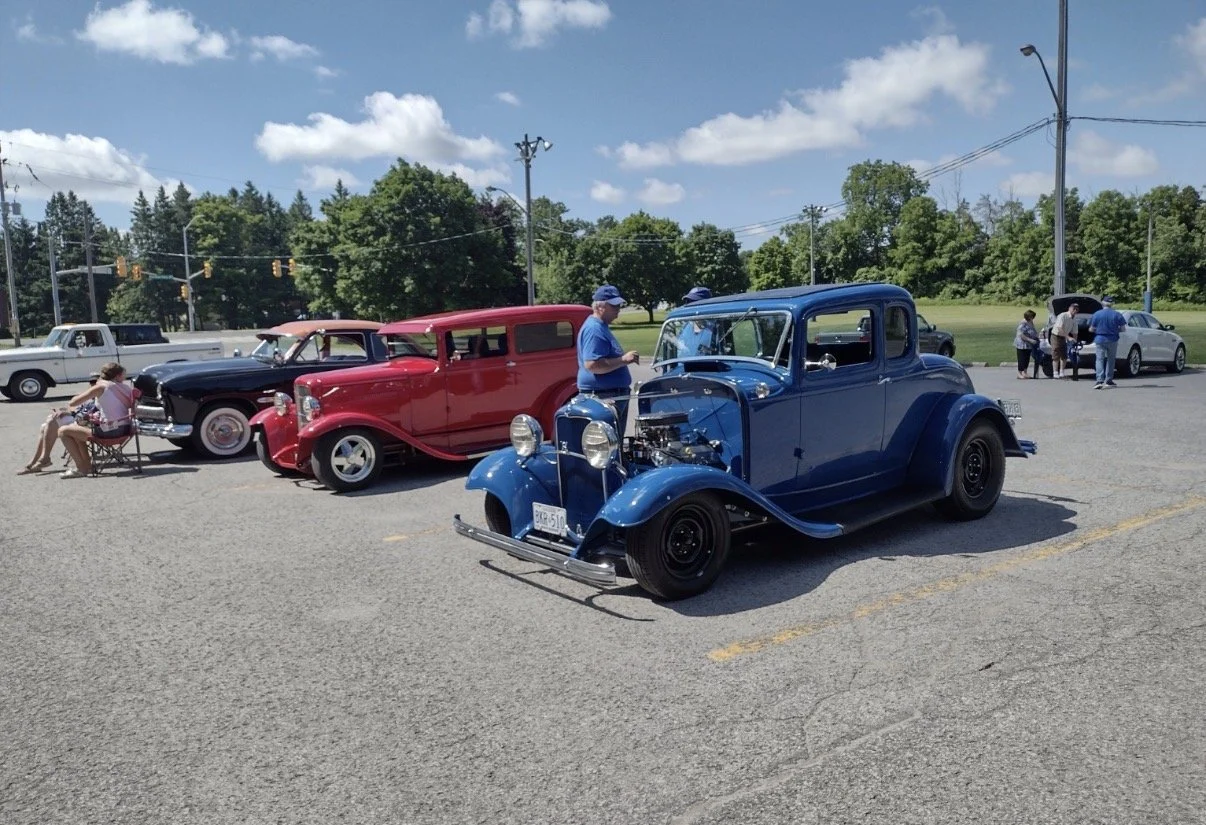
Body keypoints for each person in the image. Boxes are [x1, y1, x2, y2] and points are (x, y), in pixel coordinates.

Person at [55, 362, 136, 478]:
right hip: (126, 430)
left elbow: (73, 402)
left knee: (62, 431)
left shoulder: (101, 387)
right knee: (77, 431)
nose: (124, 377)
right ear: (118, 376)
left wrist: (88, 391)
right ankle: (86, 466)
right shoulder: (125, 388)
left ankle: (81, 468)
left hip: (108, 432)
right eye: (124, 375)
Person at [577, 284, 640, 434]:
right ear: (600, 307)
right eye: (614, 306)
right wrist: (624, 360)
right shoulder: (594, 329)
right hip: (603, 397)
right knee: (607, 445)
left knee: (614, 444)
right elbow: (592, 365)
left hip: (610, 394)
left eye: (619, 305)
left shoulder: (600, 326)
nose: (618, 309)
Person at [1088, 295, 1128, 389]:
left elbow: (1091, 329)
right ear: (1112, 304)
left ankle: (1099, 380)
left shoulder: (1097, 314)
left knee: (1099, 359)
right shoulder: (1117, 314)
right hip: (1113, 339)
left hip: (1100, 339)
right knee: (1111, 360)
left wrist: (1098, 330)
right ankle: (1109, 380)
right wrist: (1114, 330)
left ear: (1103, 303)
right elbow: (1123, 329)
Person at [675, 286, 716, 358]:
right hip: (683, 366)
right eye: (688, 302)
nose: (689, 306)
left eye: (693, 302)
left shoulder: (714, 328)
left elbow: (718, 352)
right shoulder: (685, 327)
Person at [1051, 302, 1079, 379]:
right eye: (1074, 308)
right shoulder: (1063, 315)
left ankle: (1062, 372)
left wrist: (1075, 342)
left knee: (1064, 355)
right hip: (1056, 336)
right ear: (1069, 308)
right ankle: (1055, 373)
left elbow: (1075, 332)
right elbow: (1059, 328)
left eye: (1076, 309)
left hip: (1064, 337)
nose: (1075, 310)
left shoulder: (1075, 319)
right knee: (1056, 353)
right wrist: (1068, 337)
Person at [1014, 310, 1040, 379]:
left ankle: (1025, 372)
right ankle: (1019, 373)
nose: (1033, 318)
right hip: (1022, 343)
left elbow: (1033, 330)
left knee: (1027, 358)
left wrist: (1037, 336)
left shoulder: (1030, 322)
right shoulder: (1023, 323)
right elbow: (1021, 335)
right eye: (1032, 317)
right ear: (1029, 317)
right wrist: (1030, 340)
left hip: (1029, 344)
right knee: (1021, 358)